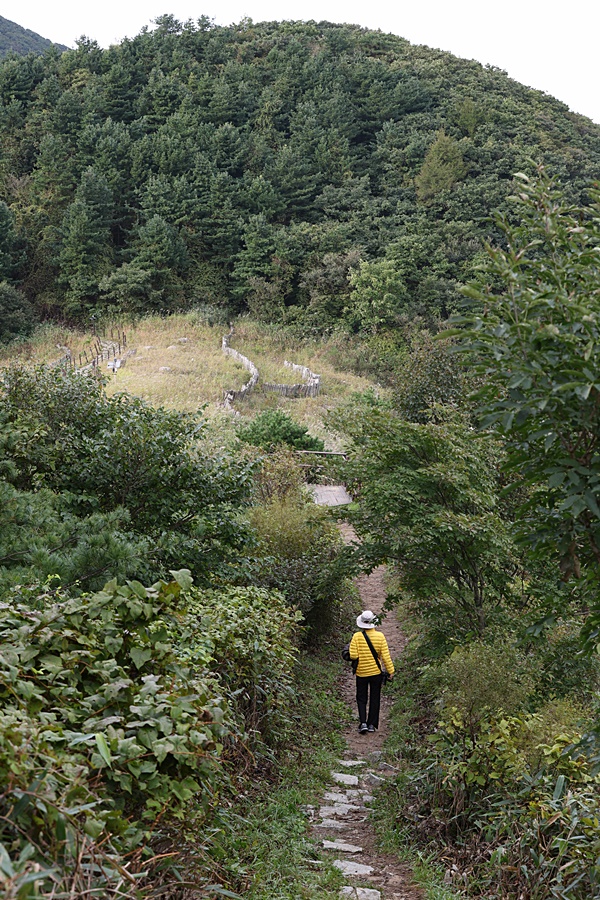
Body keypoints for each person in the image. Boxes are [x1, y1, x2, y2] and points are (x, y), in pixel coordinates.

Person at [349, 609, 395, 734]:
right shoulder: (380, 636)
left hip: (361, 673)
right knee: (375, 698)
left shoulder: (356, 637)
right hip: (376, 673)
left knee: (361, 698)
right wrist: (391, 671)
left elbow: (353, 656)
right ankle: (371, 725)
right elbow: (385, 656)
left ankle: (362, 722)